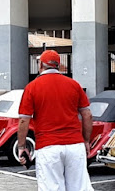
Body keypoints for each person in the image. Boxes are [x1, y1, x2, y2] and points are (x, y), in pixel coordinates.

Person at [17, 50, 93, 191]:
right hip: (74, 144)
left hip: (48, 146)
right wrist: (86, 140)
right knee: (79, 187)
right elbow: (87, 115)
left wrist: (22, 146)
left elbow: (23, 120)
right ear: (58, 65)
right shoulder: (74, 85)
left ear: (41, 65)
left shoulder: (32, 87)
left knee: (51, 187)